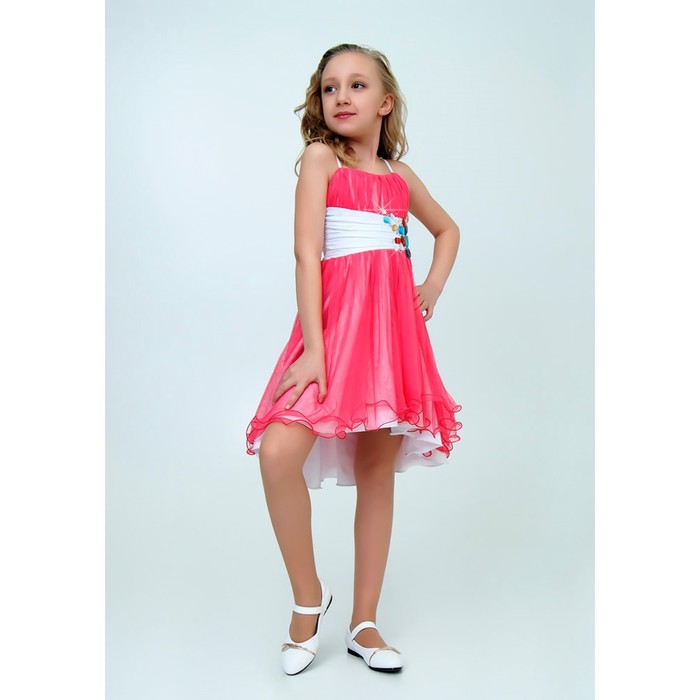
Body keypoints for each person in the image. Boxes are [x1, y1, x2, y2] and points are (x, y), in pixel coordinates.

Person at [244, 42, 463, 675]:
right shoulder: (322, 160)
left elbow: (447, 229)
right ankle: (308, 599)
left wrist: (431, 286)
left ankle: (364, 621)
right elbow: (306, 254)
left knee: (376, 471)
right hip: (331, 334)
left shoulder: (399, 177)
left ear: (386, 102)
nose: (342, 96)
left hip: (390, 342)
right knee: (278, 451)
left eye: (358, 85)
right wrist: (315, 350)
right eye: (330, 87)